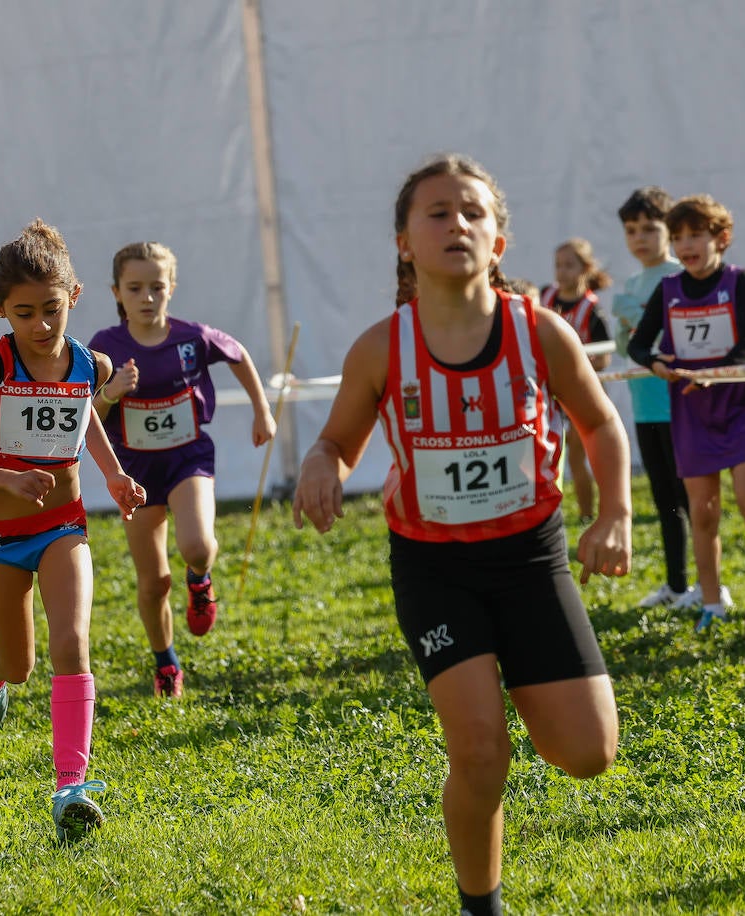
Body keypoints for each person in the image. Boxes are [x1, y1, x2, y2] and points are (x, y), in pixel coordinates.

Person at [292, 155, 627, 916]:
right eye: (437, 213)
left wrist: (616, 513)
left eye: (473, 212)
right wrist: (321, 467)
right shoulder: (381, 348)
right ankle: (483, 905)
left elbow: (601, 422)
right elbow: (338, 442)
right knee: (480, 754)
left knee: (586, 753)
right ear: (404, 243)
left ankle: (523, 674)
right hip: (436, 568)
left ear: (498, 241)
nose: (457, 224)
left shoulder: (538, 333)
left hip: (531, 558)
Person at [0, 219, 146, 844]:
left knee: (73, 643)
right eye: (24, 312)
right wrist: (6, 479)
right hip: (0, 540)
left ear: (74, 298)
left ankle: (70, 786)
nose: (40, 325)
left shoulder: (89, 362)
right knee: (19, 665)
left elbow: (84, 420)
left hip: (65, 525)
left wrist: (113, 475)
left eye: (52, 309)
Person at [89, 241, 276, 697]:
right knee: (153, 582)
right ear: (117, 292)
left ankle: (200, 579)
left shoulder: (191, 337)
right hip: (133, 470)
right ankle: (166, 661)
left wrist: (262, 410)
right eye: (135, 288)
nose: (147, 297)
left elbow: (239, 355)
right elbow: (86, 416)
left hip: (187, 457)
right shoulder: (103, 348)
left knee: (196, 545)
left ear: (171, 287)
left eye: (157, 286)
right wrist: (113, 392)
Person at [627, 195, 745, 633]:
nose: (685, 245)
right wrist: (656, 363)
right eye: (677, 237)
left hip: (740, 405)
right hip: (692, 410)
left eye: (695, 235)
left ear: (721, 238)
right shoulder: (669, 289)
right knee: (704, 511)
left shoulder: (738, 282)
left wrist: (717, 375)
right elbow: (638, 344)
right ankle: (711, 604)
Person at [609, 186, 694, 609]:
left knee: (693, 498)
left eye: (648, 228)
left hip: (681, 404)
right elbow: (627, 350)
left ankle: (709, 584)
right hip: (645, 405)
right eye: (630, 230)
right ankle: (677, 585)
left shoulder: (683, 275)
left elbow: (681, 337)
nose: (639, 237)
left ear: (669, 229)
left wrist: (643, 318)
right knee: (665, 501)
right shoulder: (631, 282)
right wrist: (626, 324)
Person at [540, 237, 612, 522]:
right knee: (545, 454)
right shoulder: (544, 298)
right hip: (547, 391)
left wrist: (575, 360)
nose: (562, 272)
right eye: (558, 265)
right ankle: (546, 513)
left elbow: (605, 356)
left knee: (576, 457)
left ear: (586, 269)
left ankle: (585, 515)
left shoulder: (591, 309)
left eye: (569, 265)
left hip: (581, 391)